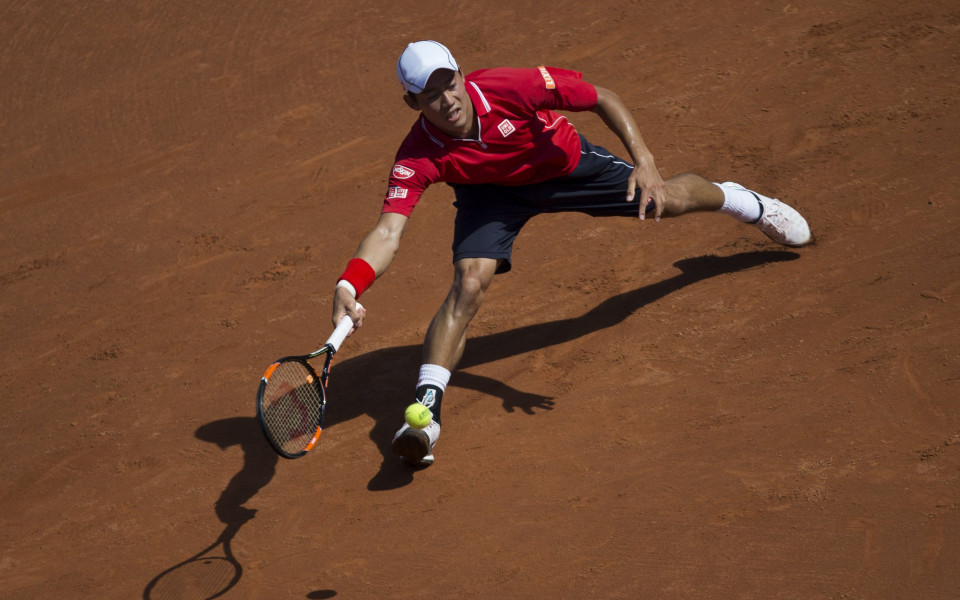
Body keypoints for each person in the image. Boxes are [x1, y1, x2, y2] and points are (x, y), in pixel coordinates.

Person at [331, 40, 811, 468]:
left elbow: (602, 97)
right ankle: (426, 415)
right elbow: (389, 231)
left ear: (461, 75)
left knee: (664, 202)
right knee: (469, 282)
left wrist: (644, 161)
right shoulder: (417, 153)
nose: (446, 99)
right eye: (430, 94)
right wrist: (349, 284)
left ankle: (746, 203)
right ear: (411, 102)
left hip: (564, 165)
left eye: (449, 83)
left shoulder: (509, 87)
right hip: (492, 197)